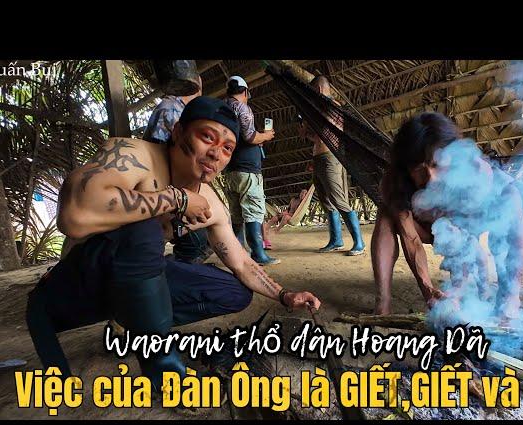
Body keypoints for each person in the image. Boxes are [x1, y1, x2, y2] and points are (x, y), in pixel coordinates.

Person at [25, 96, 321, 391]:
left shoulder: (210, 202)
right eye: (207, 137)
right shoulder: (134, 154)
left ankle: (138, 325)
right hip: (73, 288)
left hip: (126, 291)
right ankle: (167, 375)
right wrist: (176, 199)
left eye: (227, 148)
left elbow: (241, 262)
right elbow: (73, 216)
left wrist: (284, 295)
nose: (216, 153)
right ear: (178, 132)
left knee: (234, 292)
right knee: (142, 230)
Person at [372, 112, 523, 320]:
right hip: (428, 229)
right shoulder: (396, 184)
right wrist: (428, 290)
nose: (431, 178)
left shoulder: (476, 171)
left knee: (511, 198)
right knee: (385, 214)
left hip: (466, 230)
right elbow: (411, 240)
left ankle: (509, 296)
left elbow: (465, 239)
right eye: (420, 170)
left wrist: (456, 292)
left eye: (436, 165)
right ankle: (383, 302)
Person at [142, 70, 212, 264]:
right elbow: (161, 154)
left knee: (199, 238)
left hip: (171, 188)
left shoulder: (176, 109)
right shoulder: (171, 108)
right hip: (162, 187)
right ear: (195, 88)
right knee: (196, 242)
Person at [299, 75, 365, 256]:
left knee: (339, 199)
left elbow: (327, 127)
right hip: (318, 157)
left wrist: (309, 118)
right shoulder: (317, 109)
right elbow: (318, 136)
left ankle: (359, 242)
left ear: (319, 90)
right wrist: (306, 130)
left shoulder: (333, 106)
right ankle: (336, 240)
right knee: (326, 202)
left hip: (331, 158)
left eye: (313, 93)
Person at [223, 75, 278, 265]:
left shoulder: (223, 108)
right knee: (253, 211)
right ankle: (258, 254)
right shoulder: (242, 108)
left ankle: (237, 253)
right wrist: (265, 135)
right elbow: (250, 136)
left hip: (231, 169)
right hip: (248, 169)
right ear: (245, 92)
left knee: (237, 213)